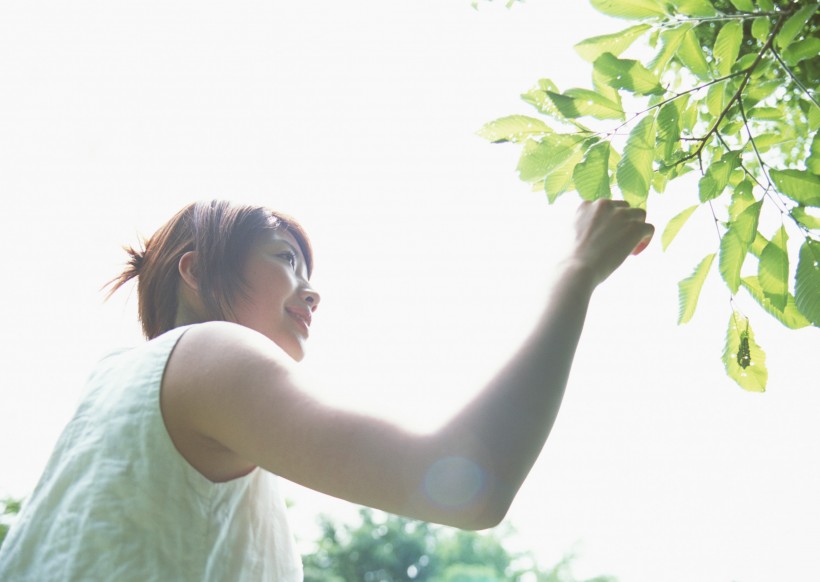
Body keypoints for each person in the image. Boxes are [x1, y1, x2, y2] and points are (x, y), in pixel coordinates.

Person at [0, 198, 653, 581]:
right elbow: (467, 479)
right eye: (284, 259)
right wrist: (579, 269)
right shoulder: (208, 351)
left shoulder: (113, 396)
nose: (312, 290)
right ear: (196, 272)